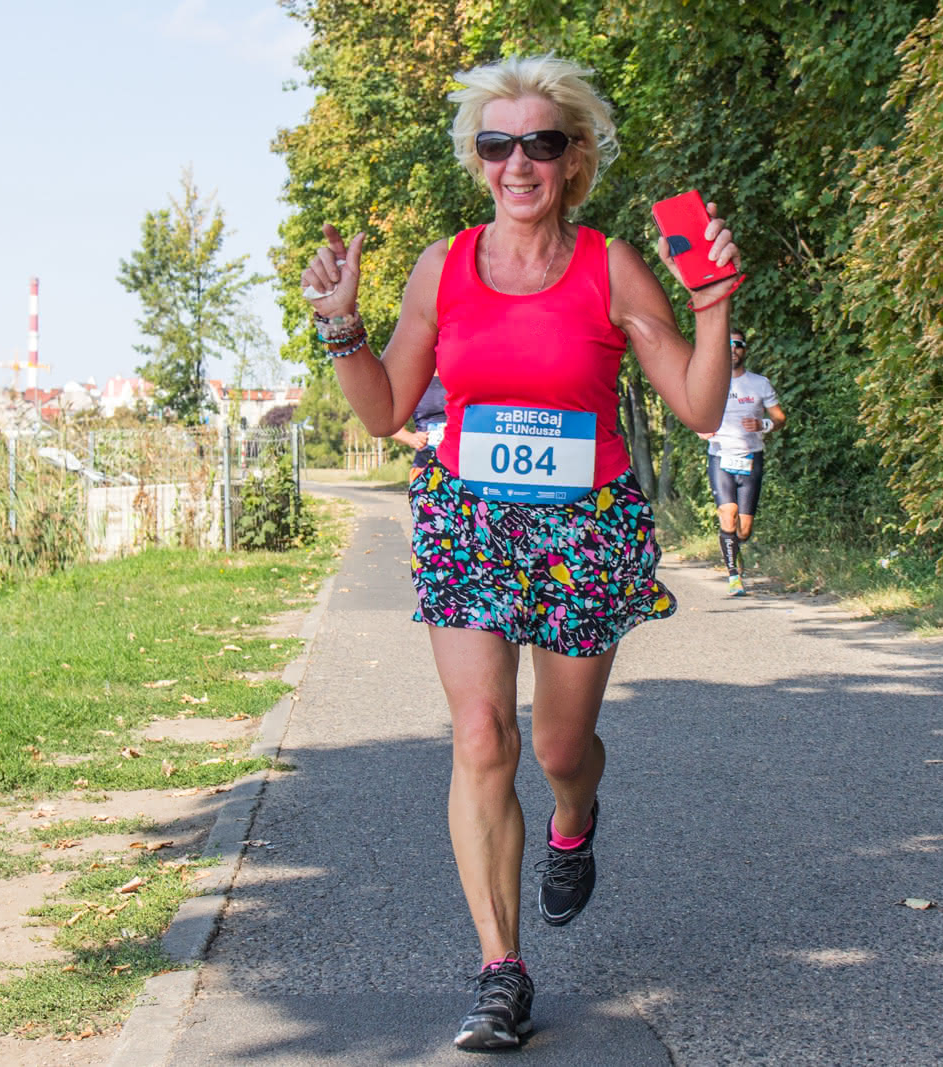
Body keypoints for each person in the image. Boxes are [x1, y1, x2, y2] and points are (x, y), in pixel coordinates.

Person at [298, 54, 743, 1051]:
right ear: (479, 160)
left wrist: (712, 306)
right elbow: (383, 410)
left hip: (585, 529)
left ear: (574, 158)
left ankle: (573, 817)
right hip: (468, 521)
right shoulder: (442, 267)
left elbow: (700, 405)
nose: (518, 163)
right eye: (497, 144)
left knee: (556, 750)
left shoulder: (612, 267)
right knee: (481, 736)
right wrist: (341, 326)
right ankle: (501, 969)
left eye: (541, 142)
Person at [701, 329, 785, 596]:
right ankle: (734, 576)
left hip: (751, 457)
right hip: (720, 456)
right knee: (729, 515)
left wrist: (763, 424)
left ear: (744, 350)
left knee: (744, 530)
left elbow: (780, 418)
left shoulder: (759, 383)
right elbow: (695, 413)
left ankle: (735, 550)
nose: (732, 349)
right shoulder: (710, 382)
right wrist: (700, 429)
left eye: (737, 345)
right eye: (727, 345)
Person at [390, 372, 448, 480]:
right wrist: (409, 438)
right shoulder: (412, 378)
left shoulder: (464, 373)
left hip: (464, 466)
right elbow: (389, 423)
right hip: (425, 466)